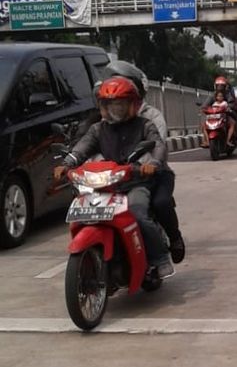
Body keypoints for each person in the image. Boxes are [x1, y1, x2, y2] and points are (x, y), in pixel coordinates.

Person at [53, 77, 174, 279]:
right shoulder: (97, 129)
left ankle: (160, 258)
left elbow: (158, 145)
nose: (114, 109)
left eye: (119, 104)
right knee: (86, 214)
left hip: (135, 182)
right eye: (109, 104)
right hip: (107, 185)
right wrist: (66, 165)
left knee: (137, 214)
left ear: (132, 104)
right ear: (102, 106)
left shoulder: (145, 125)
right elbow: (81, 149)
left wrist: (152, 164)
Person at [104, 60, 185, 264]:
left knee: (159, 203)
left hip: (150, 175)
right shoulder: (104, 120)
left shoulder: (151, 117)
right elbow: (88, 141)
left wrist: (145, 165)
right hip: (114, 177)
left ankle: (173, 240)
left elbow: (157, 146)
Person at [201, 76, 237, 148]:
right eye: (218, 86)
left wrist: (229, 108)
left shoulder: (228, 95)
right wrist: (204, 108)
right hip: (214, 116)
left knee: (232, 123)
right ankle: (206, 141)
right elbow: (205, 104)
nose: (220, 88)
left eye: (222, 86)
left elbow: (232, 103)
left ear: (225, 87)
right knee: (203, 124)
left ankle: (228, 140)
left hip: (225, 116)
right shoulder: (212, 95)